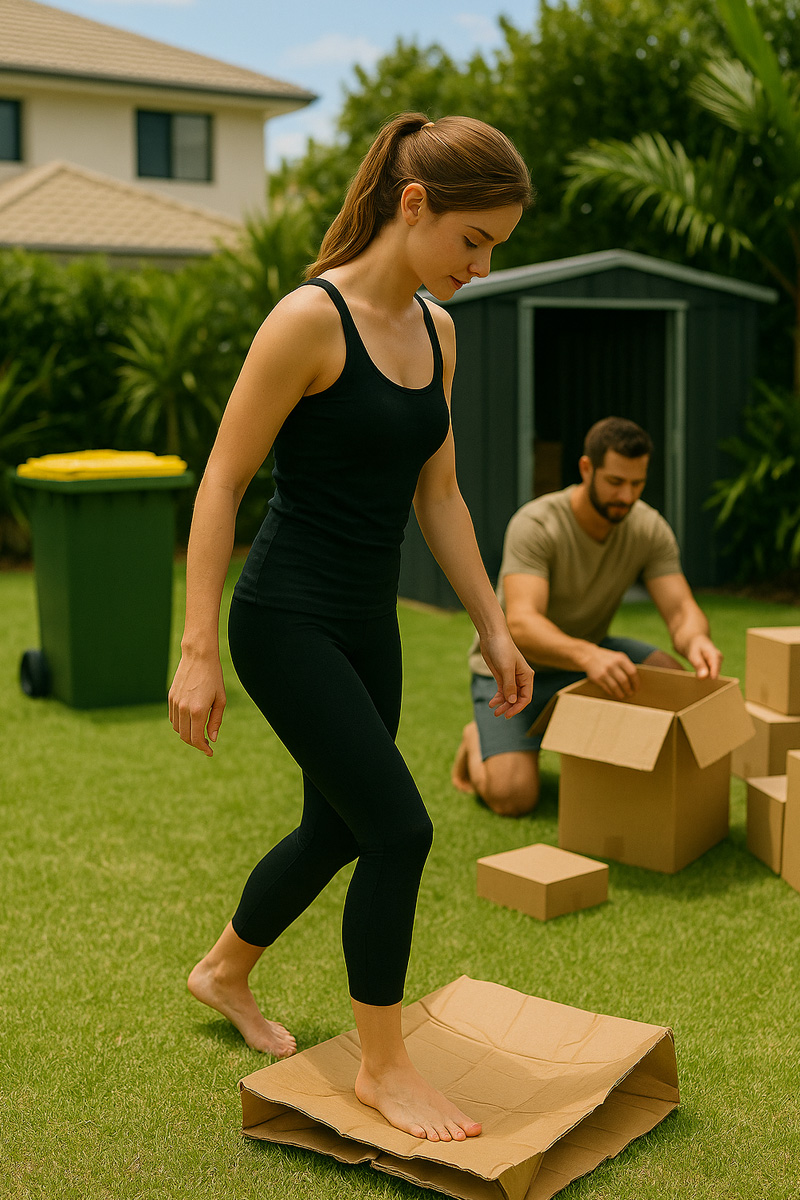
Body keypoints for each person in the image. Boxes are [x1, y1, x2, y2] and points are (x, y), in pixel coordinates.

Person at [168, 112, 534, 1144]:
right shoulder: (307, 321)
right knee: (399, 829)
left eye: (493, 247)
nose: (479, 264)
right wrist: (197, 652)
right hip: (285, 618)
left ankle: (223, 970)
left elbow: (442, 499)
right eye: (472, 240)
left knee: (337, 826)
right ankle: (384, 1068)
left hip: (366, 622)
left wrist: (496, 629)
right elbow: (223, 482)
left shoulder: (438, 333)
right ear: (412, 204)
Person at [452, 416, 724, 817]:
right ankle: (477, 740)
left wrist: (697, 639)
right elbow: (522, 625)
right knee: (513, 797)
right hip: (515, 668)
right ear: (586, 469)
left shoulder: (648, 527)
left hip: (587, 654)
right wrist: (587, 656)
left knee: (671, 674)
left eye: (637, 484)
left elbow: (682, 610)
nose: (627, 496)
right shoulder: (537, 523)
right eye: (615, 482)